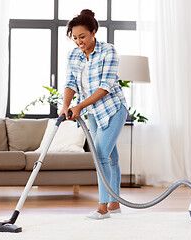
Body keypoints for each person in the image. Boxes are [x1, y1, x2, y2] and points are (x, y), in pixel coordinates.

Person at [59, 9, 129, 220]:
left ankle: (102, 207)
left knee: (100, 155)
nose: (79, 41)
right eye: (75, 38)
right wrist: (66, 105)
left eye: (83, 36)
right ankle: (115, 204)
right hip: (93, 113)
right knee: (111, 157)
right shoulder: (73, 55)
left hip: (113, 109)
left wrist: (79, 106)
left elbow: (106, 86)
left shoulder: (108, 51)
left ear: (94, 32)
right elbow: (71, 83)